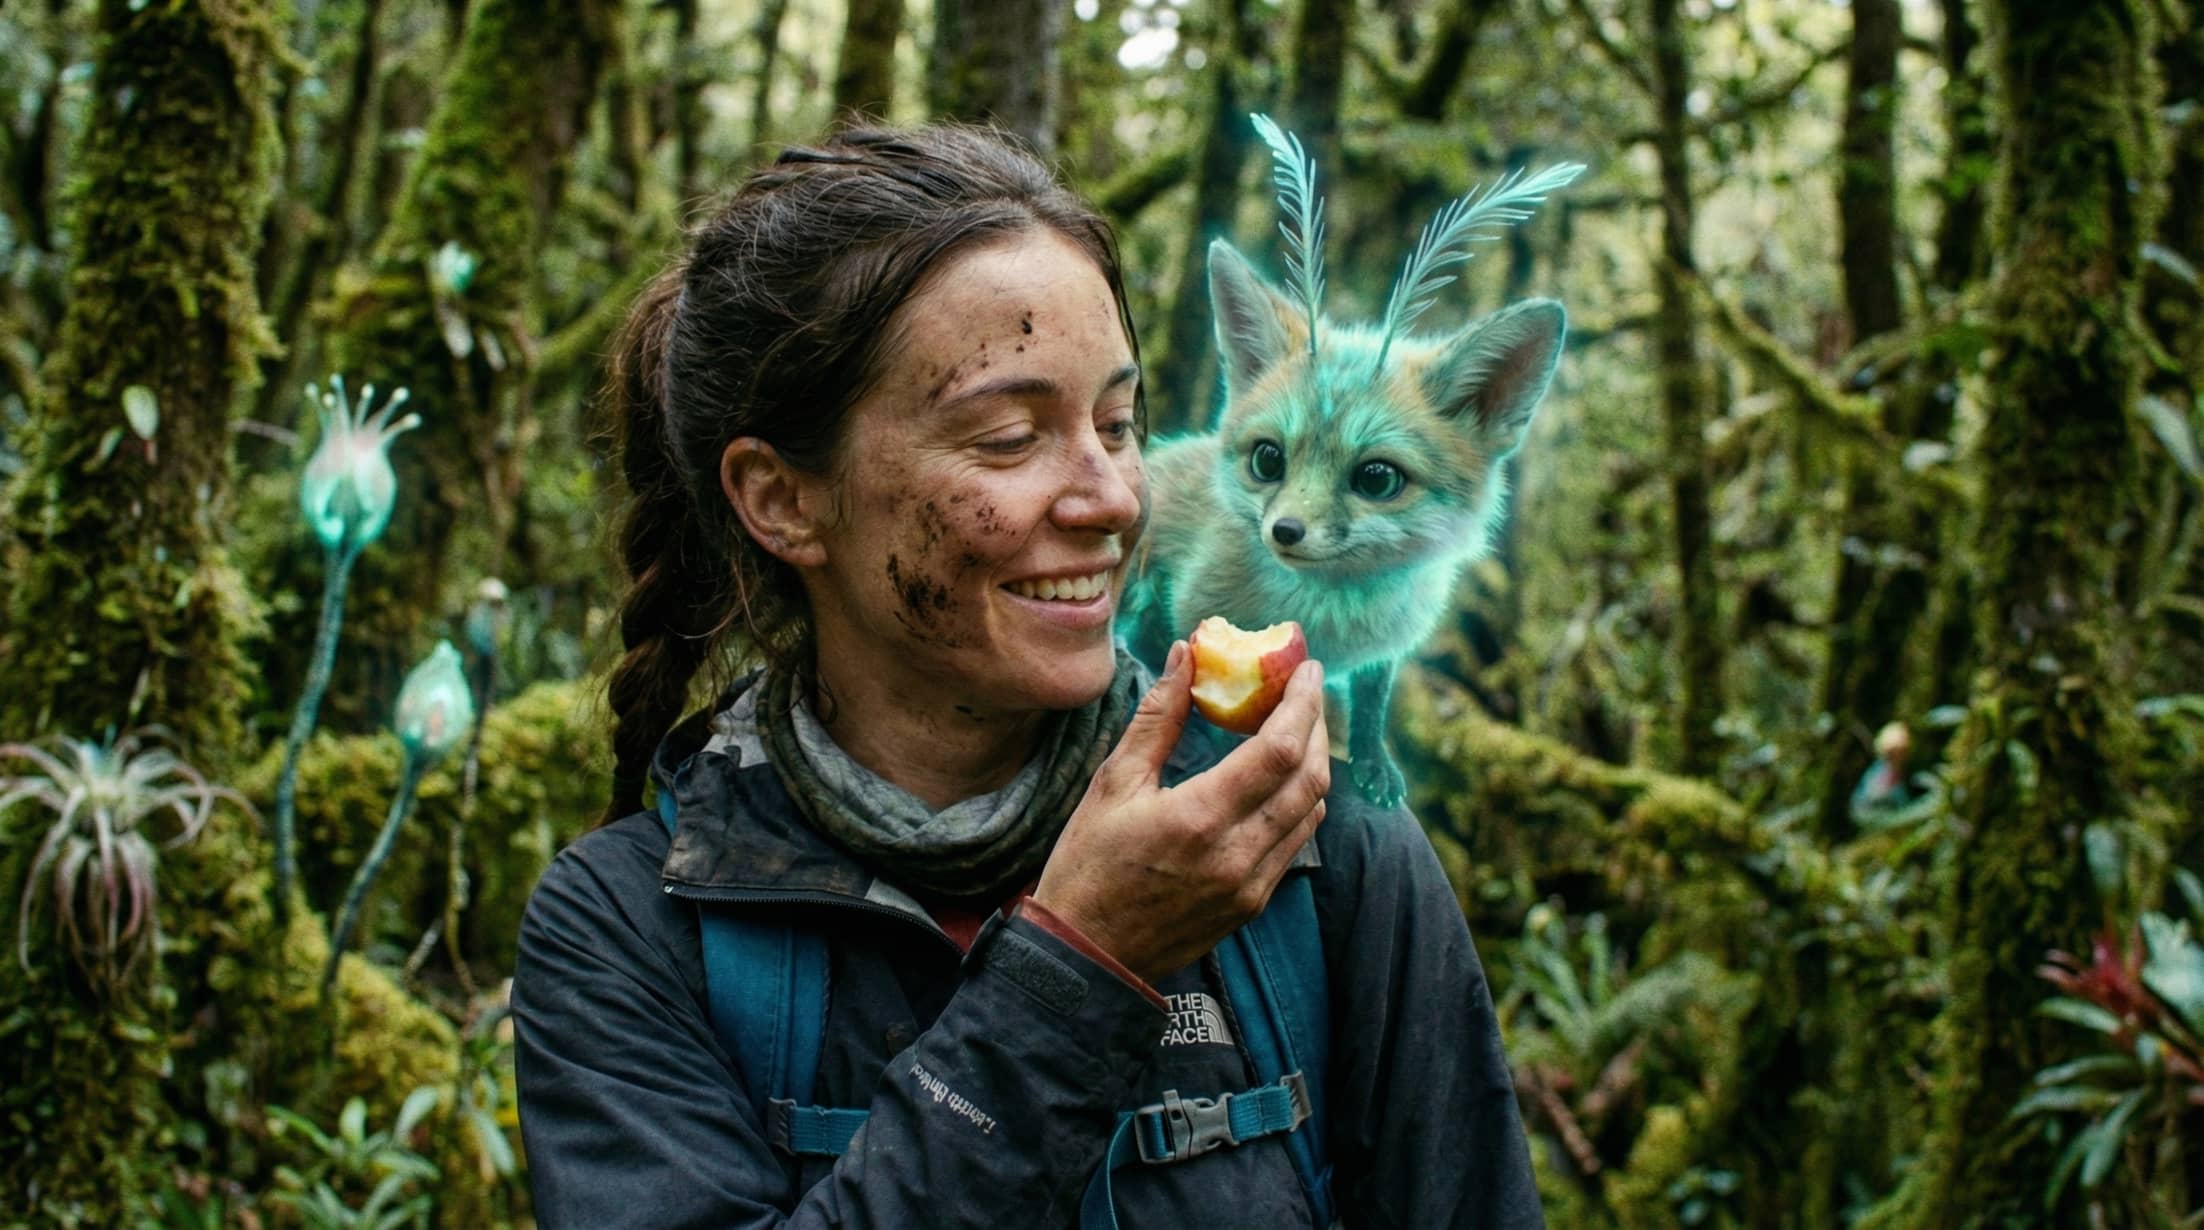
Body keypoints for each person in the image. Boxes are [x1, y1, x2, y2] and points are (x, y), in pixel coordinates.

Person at [510, 122, 1542, 1229]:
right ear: (782, 500)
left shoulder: (1314, 847)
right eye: (1008, 436)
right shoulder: (624, 930)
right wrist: (1082, 963)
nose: (1111, 499)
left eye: (1116, 421)